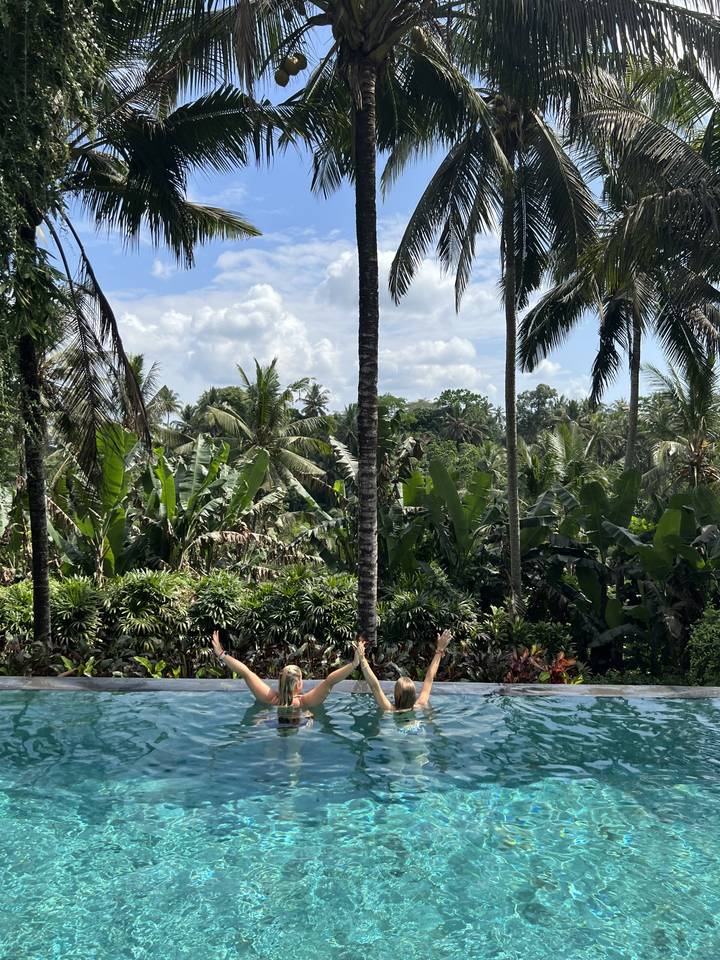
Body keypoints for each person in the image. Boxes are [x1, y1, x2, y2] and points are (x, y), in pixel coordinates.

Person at [211, 629, 360, 710]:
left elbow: (245, 672)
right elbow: (330, 681)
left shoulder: (270, 699)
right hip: (297, 722)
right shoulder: (304, 702)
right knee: (294, 753)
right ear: (299, 684)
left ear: (280, 682)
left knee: (272, 749)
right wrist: (354, 663)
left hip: (271, 723)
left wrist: (221, 654)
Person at [355, 630, 452, 712]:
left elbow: (374, 686)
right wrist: (440, 649)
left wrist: (362, 658)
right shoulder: (421, 704)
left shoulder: (389, 709)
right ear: (413, 694)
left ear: (396, 695)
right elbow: (429, 678)